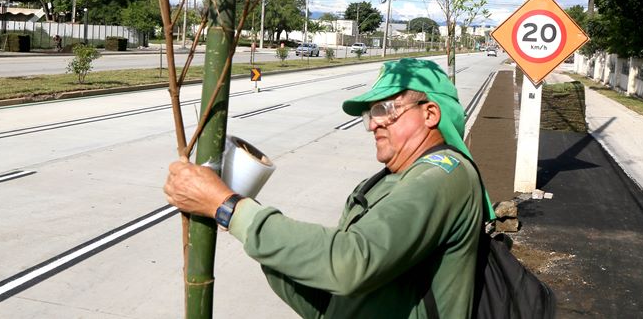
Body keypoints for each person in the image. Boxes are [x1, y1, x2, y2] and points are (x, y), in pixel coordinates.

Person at [164, 58, 493, 318]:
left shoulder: (442, 177)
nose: (373, 124)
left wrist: (231, 208)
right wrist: (242, 214)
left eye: (384, 110)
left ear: (430, 114)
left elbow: (351, 262)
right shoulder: (389, 180)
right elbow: (334, 285)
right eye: (370, 114)